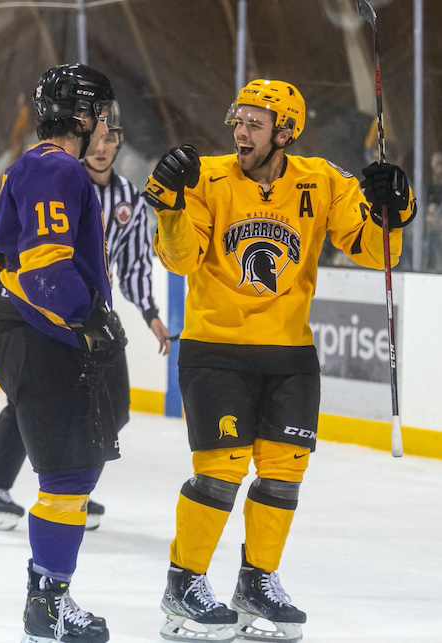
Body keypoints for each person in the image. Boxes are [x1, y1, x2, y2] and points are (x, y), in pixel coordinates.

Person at [144, 79, 416, 643]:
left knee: (284, 473)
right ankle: (183, 582)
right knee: (220, 471)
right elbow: (180, 259)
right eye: (237, 120)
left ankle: (256, 581)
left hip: (290, 355)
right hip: (216, 348)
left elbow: (376, 250)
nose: (240, 132)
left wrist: (396, 206)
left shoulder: (320, 181)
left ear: (285, 132)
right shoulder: (207, 179)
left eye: (254, 123)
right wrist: (170, 206)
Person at [0, 63, 127, 643]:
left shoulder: (43, 165)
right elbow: (42, 267)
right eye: (102, 115)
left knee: (78, 468)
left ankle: (49, 599)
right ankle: (47, 604)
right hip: (42, 333)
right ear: (83, 116)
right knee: (69, 473)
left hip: (34, 330)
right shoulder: (55, 166)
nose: (107, 128)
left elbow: (17, 259)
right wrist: (86, 317)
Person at [0, 127, 170, 533]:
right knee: (26, 400)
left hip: (89, 317)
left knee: (114, 405)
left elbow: (132, 264)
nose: (101, 148)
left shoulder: (128, 200)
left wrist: (150, 312)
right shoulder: (56, 177)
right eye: (96, 139)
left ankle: (73, 482)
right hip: (34, 310)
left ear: (119, 145)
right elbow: (20, 251)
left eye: (111, 140)